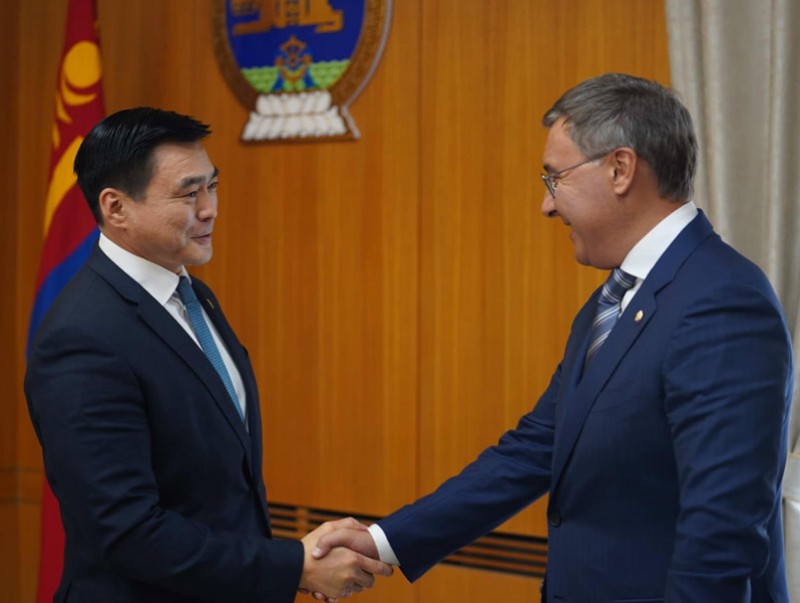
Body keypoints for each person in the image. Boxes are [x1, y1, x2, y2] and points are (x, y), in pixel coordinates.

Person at [313, 73, 794, 602]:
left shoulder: (722, 300)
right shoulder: (614, 299)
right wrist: (382, 541)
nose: (547, 205)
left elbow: (722, 529)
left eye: (555, 178)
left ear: (620, 168)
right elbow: (532, 451)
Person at [25, 107, 391, 603]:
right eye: (187, 193)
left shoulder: (194, 295)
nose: (210, 208)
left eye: (212, 186)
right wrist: (293, 567)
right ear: (116, 207)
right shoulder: (82, 335)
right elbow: (127, 531)